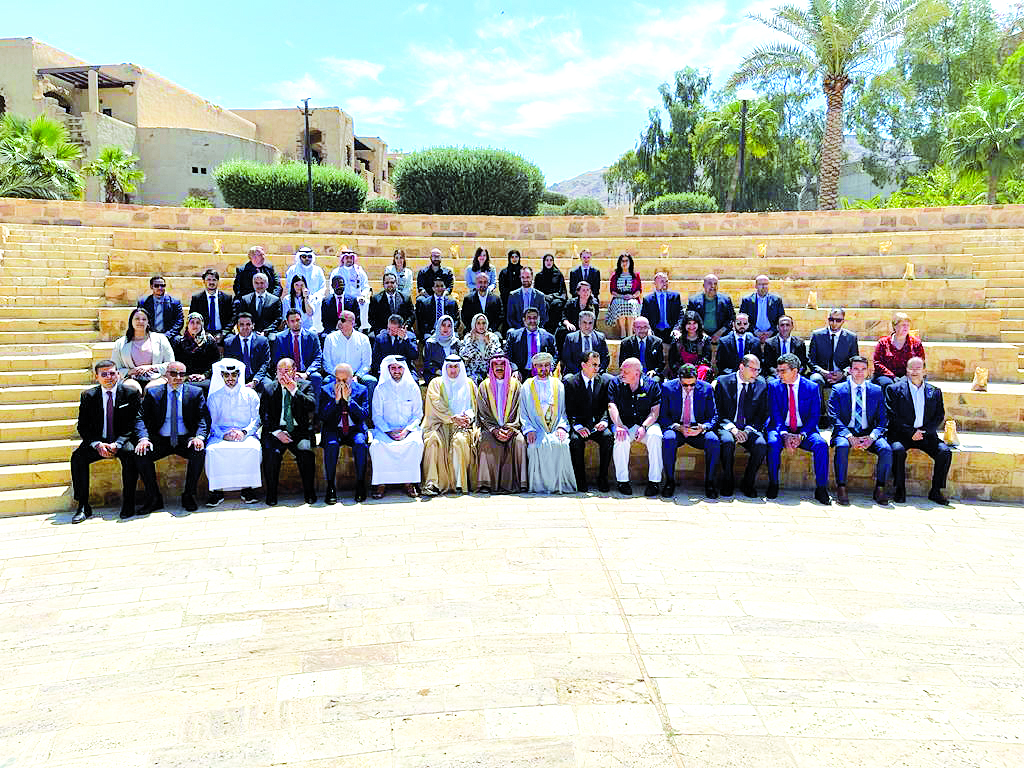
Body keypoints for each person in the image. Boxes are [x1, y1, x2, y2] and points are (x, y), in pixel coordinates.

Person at [69, 359, 142, 523]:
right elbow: (83, 426)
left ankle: (129, 502)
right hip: (98, 440)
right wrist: (97, 444)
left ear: (118, 374)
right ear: (96, 377)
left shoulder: (130, 393)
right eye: (104, 374)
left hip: (122, 438)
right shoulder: (88, 396)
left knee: (131, 455)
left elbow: (133, 422)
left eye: (112, 373)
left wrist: (118, 443)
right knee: (78, 458)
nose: (109, 377)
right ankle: (83, 505)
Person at [134, 361, 210, 514]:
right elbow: (140, 417)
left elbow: (204, 418)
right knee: (141, 455)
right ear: (166, 375)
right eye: (174, 374)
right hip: (160, 439)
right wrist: (143, 438)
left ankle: (189, 495)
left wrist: (199, 437)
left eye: (182, 374)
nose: (178, 377)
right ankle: (154, 498)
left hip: (185, 439)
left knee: (199, 452)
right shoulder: (154, 393)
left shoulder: (195, 393)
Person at [766, 353, 831, 505]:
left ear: (794, 371)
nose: (779, 374)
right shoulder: (774, 386)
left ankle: (821, 488)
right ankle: (773, 484)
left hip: (805, 430)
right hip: (781, 428)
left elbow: (814, 416)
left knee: (821, 445)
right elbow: (775, 414)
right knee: (773, 443)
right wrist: (784, 434)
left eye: (783, 371)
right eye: (778, 370)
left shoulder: (812, 387)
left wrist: (801, 435)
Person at [827, 355, 892, 506]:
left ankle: (880, 488)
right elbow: (833, 417)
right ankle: (841, 487)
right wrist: (849, 436)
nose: (859, 372)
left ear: (868, 371)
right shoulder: (838, 389)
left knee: (886, 449)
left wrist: (872, 436)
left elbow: (883, 419)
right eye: (856, 369)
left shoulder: (876, 390)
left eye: (863, 369)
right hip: (845, 431)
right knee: (842, 446)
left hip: (868, 432)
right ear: (849, 371)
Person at [886, 356, 951, 505]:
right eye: (911, 368)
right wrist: (911, 432)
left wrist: (924, 432)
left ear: (924, 371)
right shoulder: (894, 389)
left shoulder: (935, 391)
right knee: (897, 451)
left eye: (918, 368)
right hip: (901, 435)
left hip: (926, 435)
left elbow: (939, 416)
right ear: (906, 370)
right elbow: (892, 415)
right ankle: (900, 489)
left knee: (944, 452)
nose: (914, 371)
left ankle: (936, 491)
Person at [204, 359, 262, 506]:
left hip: (246, 434)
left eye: (234, 375)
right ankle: (217, 491)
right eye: (226, 375)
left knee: (253, 449)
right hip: (221, 435)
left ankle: (247, 489)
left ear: (238, 375)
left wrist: (244, 432)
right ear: (221, 376)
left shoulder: (251, 394)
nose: (230, 378)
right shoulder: (214, 397)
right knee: (212, 451)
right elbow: (212, 423)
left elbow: (256, 419)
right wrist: (223, 435)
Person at [260, 358, 317, 506]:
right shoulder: (269, 388)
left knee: (305, 452)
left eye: (286, 371)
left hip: (299, 431)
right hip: (276, 430)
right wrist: (277, 432)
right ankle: (271, 493)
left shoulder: (305, 385)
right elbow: (264, 415)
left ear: (294, 371)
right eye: (279, 371)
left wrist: (294, 391)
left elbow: (311, 406)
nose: (282, 374)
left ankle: (309, 492)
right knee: (271, 454)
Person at [660, 363, 721, 498]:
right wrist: (678, 427)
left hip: (698, 428)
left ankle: (710, 483)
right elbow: (663, 416)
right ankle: (670, 482)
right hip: (677, 427)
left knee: (713, 441)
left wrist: (703, 427)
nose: (688, 388)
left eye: (692, 385)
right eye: (685, 385)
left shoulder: (707, 388)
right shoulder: (667, 388)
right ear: (679, 380)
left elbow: (713, 416)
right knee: (668, 439)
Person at [519, 352, 576, 494]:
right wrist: (529, 430)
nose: (543, 369)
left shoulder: (558, 385)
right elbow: (523, 412)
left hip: (555, 427)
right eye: (540, 366)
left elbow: (563, 411)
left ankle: (558, 485)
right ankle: (539, 486)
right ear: (534, 367)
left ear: (550, 366)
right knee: (535, 446)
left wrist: (562, 427)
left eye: (546, 365)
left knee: (561, 444)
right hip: (536, 428)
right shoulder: (527, 385)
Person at [422, 356, 479, 496]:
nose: (453, 370)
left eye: (456, 367)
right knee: (432, 441)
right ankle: (432, 484)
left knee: (460, 441)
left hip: (463, 425)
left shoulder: (469, 384)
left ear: (461, 368)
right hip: (439, 424)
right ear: (445, 368)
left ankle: (459, 484)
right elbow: (436, 404)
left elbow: (475, 406)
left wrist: (468, 417)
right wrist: (452, 418)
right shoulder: (436, 383)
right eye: (450, 367)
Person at [714, 354, 769, 498]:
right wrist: (732, 429)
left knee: (761, 445)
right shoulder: (723, 382)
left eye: (758, 370)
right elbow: (717, 411)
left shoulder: (761, 384)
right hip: (727, 425)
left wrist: (748, 430)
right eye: (753, 369)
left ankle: (748, 483)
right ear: (741, 367)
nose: (756, 374)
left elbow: (761, 415)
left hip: (748, 427)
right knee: (727, 442)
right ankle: (728, 481)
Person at [369, 355, 424, 499]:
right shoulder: (380, 389)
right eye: (393, 368)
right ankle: (381, 484)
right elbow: (376, 416)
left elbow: (418, 414)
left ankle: (409, 483)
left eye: (400, 367)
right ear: (388, 370)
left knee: (415, 444)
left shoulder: (413, 387)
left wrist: (406, 430)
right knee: (377, 446)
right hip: (385, 430)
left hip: (408, 430)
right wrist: (389, 431)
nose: (396, 371)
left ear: (404, 369)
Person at [607, 358, 663, 496]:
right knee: (620, 438)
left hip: (646, 423)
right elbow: (611, 406)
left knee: (656, 436)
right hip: (624, 423)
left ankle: (654, 482)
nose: (621, 374)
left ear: (637, 374)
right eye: (621, 370)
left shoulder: (652, 385)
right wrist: (619, 426)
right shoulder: (615, 383)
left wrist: (644, 426)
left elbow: (655, 412)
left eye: (625, 372)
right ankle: (623, 481)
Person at [476, 354, 529, 493]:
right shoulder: (484, 386)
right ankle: (486, 484)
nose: (499, 368)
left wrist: (511, 428)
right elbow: (482, 413)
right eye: (496, 365)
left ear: (507, 366)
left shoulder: (516, 385)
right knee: (485, 441)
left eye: (502, 365)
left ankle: (521, 483)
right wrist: (494, 430)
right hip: (490, 429)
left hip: (513, 428)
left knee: (520, 442)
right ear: (491, 367)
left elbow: (520, 409)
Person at [563, 351, 613, 493]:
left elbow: (606, 406)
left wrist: (604, 421)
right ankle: (580, 479)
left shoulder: (604, 382)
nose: (597, 368)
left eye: (598, 365)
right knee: (575, 441)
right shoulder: (571, 383)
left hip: (597, 426)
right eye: (594, 365)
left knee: (608, 437)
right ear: (584, 365)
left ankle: (602, 478)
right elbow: (568, 408)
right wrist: (578, 426)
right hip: (579, 425)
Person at [320, 362, 369, 504]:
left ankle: (360, 484)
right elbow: (322, 416)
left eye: (344, 380)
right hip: (334, 429)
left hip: (354, 429)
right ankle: (330, 486)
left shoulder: (362, 389)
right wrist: (335, 401)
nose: (341, 383)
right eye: (338, 379)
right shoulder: (326, 389)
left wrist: (349, 400)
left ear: (351, 377)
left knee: (360, 444)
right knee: (331, 445)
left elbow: (364, 414)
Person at [110, 308, 175, 393]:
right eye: (137, 319)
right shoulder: (120, 343)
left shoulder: (161, 339)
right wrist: (130, 371)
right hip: (130, 378)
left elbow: (171, 364)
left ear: (148, 322)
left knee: (150, 390)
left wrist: (152, 368)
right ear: (131, 322)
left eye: (144, 319)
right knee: (134, 390)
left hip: (158, 377)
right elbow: (115, 368)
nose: (140, 321)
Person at [271, 309, 324, 404]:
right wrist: (290, 373)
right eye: (292, 321)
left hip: (307, 371)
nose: (296, 323)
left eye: (298, 320)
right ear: (287, 323)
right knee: (277, 380)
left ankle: (314, 410)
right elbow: (278, 359)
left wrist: (307, 373)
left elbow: (318, 357)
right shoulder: (280, 338)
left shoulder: (312, 336)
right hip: (288, 371)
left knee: (317, 377)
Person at [322, 310, 376, 404]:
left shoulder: (363, 339)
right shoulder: (330, 338)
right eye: (339, 319)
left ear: (352, 323)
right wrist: (339, 376)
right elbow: (326, 362)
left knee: (371, 381)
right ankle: (328, 412)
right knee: (326, 382)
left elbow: (366, 363)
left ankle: (368, 411)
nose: (339, 322)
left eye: (343, 320)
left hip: (357, 375)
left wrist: (357, 376)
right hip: (336, 375)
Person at [808, 308, 859, 391]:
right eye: (831, 320)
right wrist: (823, 372)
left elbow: (854, 361)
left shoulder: (851, 337)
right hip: (821, 373)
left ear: (843, 321)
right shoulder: (817, 335)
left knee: (852, 380)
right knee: (815, 380)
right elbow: (811, 360)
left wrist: (843, 373)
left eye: (838, 320)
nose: (834, 323)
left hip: (842, 374)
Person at [171, 312, 221, 393]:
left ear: (202, 325)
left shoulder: (209, 341)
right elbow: (175, 363)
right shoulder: (179, 342)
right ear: (187, 324)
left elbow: (216, 362)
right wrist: (186, 376)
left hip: (204, 379)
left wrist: (204, 375)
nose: (195, 325)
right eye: (192, 322)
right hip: (184, 378)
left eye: (198, 323)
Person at [873, 312, 925, 389]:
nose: (906, 327)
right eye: (903, 325)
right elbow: (877, 363)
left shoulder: (916, 343)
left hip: (909, 375)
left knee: (907, 384)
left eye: (907, 325)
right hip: (886, 376)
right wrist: (893, 376)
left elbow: (920, 362)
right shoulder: (883, 343)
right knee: (889, 385)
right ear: (895, 326)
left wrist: (906, 376)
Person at [223, 312, 271, 391]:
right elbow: (229, 364)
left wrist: (255, 380)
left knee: (269, 387)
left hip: (258, 376)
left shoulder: (262, 341)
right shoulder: (229, 343)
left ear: (253, 325)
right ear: (237, 326)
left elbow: (265, 363)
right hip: (237, 377)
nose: (245, 327)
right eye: (241, 325)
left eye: (248, 324)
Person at [284, 246, 327, 333]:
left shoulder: (318, 270)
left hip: (314, 302)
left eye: (309, 256)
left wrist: (314, 298)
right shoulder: (292, 270)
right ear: (299, 257)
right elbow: (289, 285)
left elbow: (322, 287)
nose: (307, 259)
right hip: (296, 301)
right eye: (304, 256)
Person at [505, 307, 558, 378]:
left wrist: (550, 369)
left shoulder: (548, 337)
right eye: (529, 318)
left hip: (542, 372)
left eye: (535, 318)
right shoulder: (514, 336)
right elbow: (507, 355)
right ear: (524, 320)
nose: (532, 320)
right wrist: (514, 369)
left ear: (539, 319)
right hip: (521, 372)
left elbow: (554, 355)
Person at [681, 274, 735, 343]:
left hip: (722, 334)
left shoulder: (726, 300)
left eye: (715, 284)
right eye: (710, 283)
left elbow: (731, 318)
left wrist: (720, 332)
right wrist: (702, 334)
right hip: (699, 334)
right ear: (704, 285)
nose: (713, 286)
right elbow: (689, 319)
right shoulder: (694, 301)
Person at [328, 247, 372, 332]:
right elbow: (332, 288)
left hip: (357, 299)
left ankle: (362, 328)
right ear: (343, 259)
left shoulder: (359, 271)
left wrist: (363, 296)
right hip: (343, 299)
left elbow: (366, 287)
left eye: (351, 258)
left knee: (365, 303)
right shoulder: (336, 272)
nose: (349, 260)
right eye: (347, 258)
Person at [188, 268, 234, 344]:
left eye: (214, 280)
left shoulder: (226, 298)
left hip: (223, 332)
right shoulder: (197, 299)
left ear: (218, 281)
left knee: (231, 340)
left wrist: (223, 334)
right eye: (209, 280)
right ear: (204, 281)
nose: (211, 282)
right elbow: (192, 318)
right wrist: (204, 333)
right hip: (203, 332)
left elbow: (232, 319)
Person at [665, 310, 713, 381]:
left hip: (698, 371)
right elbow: (672, 360)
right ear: (684, 325)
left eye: (694, 323)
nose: (691, 326)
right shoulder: (677, 339)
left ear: (698, 324)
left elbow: (707, 359)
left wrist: (693, 370)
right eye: (689, 323)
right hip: (681, 370)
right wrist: (684, 370)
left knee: (705, 369)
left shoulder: (705, 339)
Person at [560, 310, 609, 376]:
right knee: (567, 378)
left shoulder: (600, 337)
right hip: (575, 373)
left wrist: (596, 371)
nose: (587, 326)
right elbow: (567, 359)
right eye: (584, 323)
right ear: (579, 323)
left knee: (609, 378)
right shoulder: (570, 338)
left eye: (590, 323)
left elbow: (605, 358)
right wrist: (581, 374)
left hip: (596, 372)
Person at [371, 314, 419, 380]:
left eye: (393, 330)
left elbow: (414, 356)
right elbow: (375, 359)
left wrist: (405, 339)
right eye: (389, 329)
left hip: (405, 370)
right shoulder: (380, 338)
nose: (390, 332)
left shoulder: (410, 336)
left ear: (401, 328)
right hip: (386, 370)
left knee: (414, 380)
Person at [739, 275, 785, 343]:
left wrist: (771, 332)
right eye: (760, 284)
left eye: (766, 284)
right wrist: (756, 332)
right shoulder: (747, 301)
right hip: (752, 335)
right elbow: (742, 319)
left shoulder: (776, 300)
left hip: (772, 335)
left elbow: (781, 319)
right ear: (756, 286)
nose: (763, 287)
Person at [461, 312, 505, 383]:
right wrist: (471, 341)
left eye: (483, 323)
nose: (481, 326)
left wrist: (489, 343)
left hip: (490, 372)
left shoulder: (493, 337)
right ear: (474, 324)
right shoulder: (468, 337)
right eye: (478, 323)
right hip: (472, 373)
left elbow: (498, 356)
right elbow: (465, 356)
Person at [640, 272, 682, 346]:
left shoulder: (675, 297)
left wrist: (677, 329)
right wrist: (648, 329)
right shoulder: (648, 299)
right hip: (654, 331)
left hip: (671, 330)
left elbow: (680, 315)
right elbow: (644, 317)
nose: (665, 284)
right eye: (662, 281)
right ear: (655, 283)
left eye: (666, 281)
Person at [606, 252, 642, 338]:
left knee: (631, 304)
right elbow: (612, 291)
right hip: (618, 297)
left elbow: (639, 290)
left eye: (626, 261)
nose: (624, 263)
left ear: (630, 262)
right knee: (620, 303)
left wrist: (631, 296)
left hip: (632, 297)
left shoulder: (636, 275)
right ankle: (623, 331)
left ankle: (630, 331)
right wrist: (621, 296)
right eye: (622, 261)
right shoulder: (615, 276)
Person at [137, 275, 184, 339]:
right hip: (149, 335)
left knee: (178, 340)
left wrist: (167, 335)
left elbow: (179, 321)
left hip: (169, 335)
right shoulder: (143, 303)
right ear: (151, 287)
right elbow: (140, 320)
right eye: (156, 286)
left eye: (162, 285)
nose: (160, 288)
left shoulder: (175, 302)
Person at [620, 317, 664, 383]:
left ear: (649, 328)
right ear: (633, 328)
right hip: (632, 373)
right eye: (639, 327)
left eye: (645, 327)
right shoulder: (626, 343)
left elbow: (661, 363)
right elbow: (622, 363)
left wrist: (654, 371)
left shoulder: (657, 342)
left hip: (651, 374)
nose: (642, 330)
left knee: (653, 382)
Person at [559, 279, 600, 350]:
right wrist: (568, 324)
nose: (586, 292)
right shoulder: (570, 303)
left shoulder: (594, 304)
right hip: (573, 327)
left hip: (587, 327)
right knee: (561, 331)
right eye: (583, 290)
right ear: (578, 292)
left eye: (588, 290)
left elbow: (593, 321)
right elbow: (564, 317)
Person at [415, 277, 459, 341]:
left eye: (442, 286)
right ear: (433, 288)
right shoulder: (425, 303)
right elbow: (423, 321)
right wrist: (430, 331)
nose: (440, 288)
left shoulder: (452, 302)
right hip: (431, 332)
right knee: (429, 341)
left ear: (445, 288)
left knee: (456, 341)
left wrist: (450, 329)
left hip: (449, 331)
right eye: (437, 286)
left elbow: (456, 319)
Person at [505, 266, 548, 330]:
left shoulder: (540, 296)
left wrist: (533, 328)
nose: (525, 280)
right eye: (523, 277)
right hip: (518, 329)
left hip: (535, 329)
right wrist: (521, 329)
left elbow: (543, 317)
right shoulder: (513, 295)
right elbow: (510, 318)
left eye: (528, 277)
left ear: (532, 277)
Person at [535, 252, 568, 333]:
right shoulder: (539, 276)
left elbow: (562, 290)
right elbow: (536, 291)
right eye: (547, 260)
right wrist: (545, 296)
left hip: (556, 298)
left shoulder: (558, 275)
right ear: (544, 262)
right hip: (544, 298)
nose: (549, 262)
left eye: (551, 260)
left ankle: (555, 328)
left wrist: (552, 296)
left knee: (556, 304)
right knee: (544, 304)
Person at [321, 275, 360, 340]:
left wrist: (348, 329)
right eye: (336, 285)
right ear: (332, 286)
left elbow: (357, 319)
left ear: (344, 285)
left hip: (349, 328)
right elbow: (325, 321)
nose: (339, 287)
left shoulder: (352, 300)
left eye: (341, 285)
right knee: (324, 337)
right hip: (332, 329)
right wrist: (335, 331)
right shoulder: (326, 301)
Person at [423, 315, 461, 383]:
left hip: (454, 375)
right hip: (435, 375)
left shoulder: (456, 342)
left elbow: (460, 362)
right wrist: (441, 373)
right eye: (443, 325)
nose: (446, 328)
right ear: (438, 326)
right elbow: (427, 364)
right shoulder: (430, 343)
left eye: (449, 326)